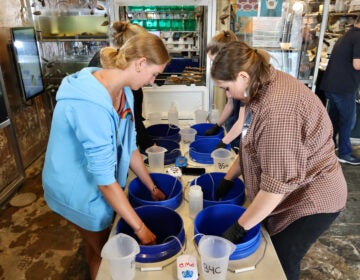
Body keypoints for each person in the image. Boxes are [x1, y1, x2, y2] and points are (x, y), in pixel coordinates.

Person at [211, 41, 347, 280]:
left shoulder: (278, 112)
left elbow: (275, 188)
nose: (227, 95)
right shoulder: (261, 83)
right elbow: (249, 145)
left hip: (312, 198)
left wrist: (238, 228)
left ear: (243, 76)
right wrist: (227, 178)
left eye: (226, 87)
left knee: (282, 261)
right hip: (291, 189)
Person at [42, 33, 169, 279]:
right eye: (154, 74)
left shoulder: (125, 93)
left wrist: (151, 186)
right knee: (107, 255)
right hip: (75, 188)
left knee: (98, 246)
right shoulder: (89, 103)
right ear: (140, 63)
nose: (153, 81)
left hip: (98, 182)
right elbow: (103, 178)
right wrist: (141, 229)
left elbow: (130, 145)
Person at [89, 21, 155, 151]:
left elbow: (129, 134)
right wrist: (150, 146)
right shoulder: (99, 84)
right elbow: (133, 123)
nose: (151, 81)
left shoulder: (122, 71)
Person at [319, 15, 360, 165]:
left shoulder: (348, 35)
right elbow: (357, 64)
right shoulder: (359, 37)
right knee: (348, 121)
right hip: (344, 87)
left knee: (335, 119)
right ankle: (345, 153)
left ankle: (329, 148)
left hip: (332, 85)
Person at [204, 30, 245, 152]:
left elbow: (243, 121)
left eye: (215, 61)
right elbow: (230, 103)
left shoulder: (243, 78)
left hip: (243, 134)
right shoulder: (229, 74)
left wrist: (224, 141)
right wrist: (217, 125)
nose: (214, 65)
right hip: (234, 130)